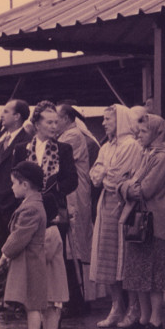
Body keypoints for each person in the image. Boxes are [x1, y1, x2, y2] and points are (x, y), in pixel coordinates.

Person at [14, 101, 76, 329]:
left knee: (52, 271)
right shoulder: (21, 148)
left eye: (56, 121)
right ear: (37, 123)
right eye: (48, 122)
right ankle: (34, 328)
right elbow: (14, 176)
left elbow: (71, 180)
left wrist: (49, 191)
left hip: (52, 214)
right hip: (29, 212)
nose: (54, 126)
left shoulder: (64, 148)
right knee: (31, 268)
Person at [120, 113, 165, 329]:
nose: (139, 135)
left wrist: (123, 187)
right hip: (141, 219)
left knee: (154, 274)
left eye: (144, 131)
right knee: (139, 273)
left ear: (157, 132)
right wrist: (127, 185)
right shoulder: (148, 152)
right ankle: (144, 318)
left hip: (155, 221)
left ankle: (156, 320)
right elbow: (132, 182)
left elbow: (144, 189)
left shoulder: (164, 156)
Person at [90, 104, 144, 328]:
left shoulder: (131, 145)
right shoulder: (107, 146)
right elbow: (95, 175)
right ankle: (116, 307)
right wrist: (105, 174)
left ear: (119, 121)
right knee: (108, 258)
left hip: (125, 206)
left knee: (125, 258)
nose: (103, 123)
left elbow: (113, 179)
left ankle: (133, 308)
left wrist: (105, 174)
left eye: (108, 120)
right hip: (106, 205)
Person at [0, 99, 33, 301]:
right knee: (4, 247)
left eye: (6, 111)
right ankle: (4, 289)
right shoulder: (3, 141)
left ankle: (14, 296)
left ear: (17, 116)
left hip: (12, 202)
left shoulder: (25, 140)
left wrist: (13, 198)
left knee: (14, 249)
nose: (2, 115)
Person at [0, 161, 48, 329]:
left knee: (32, 304)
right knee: (31, 304)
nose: (12, 187)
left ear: (25, 185)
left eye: (14, 183)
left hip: (30, 261)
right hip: (30, 260)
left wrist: (5, 255)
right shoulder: (34, 204)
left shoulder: (31, 209)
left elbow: (19, 237)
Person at [55, 103, 92, 318]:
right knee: (70, 247)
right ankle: (74, 297)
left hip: (75, 196)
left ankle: (79, 298)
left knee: (74, 245)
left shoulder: (72, 136)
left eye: (56, 119)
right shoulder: (69, 134)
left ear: (67, 118)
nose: (54, 124)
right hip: (70, 196)